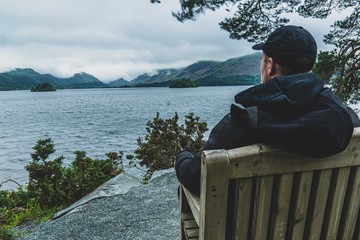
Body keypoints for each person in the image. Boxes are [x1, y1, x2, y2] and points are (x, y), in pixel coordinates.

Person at [174, 25, 360, 195]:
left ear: (270, 65)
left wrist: (182, 157)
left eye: (262, 60)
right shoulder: (346, 119)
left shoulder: (242, 124)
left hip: (248, 231)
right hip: (326, 227)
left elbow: (194, 177)